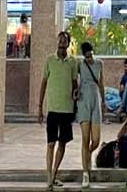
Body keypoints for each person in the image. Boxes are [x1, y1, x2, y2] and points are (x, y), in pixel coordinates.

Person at [38, 31, 78, 191]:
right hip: (53, 109)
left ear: (68, 44)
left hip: (67, 109)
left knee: (62, 143)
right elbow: (43, 84)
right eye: (60, 40)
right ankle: (49, 176)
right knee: (50, 143)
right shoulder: (49, 60)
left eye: (64, 41)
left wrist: (76, 100)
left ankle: (54, 174)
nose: (62, 43)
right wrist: (40, 107)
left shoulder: (73, 62)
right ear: (57, 42)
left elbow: (75, 84)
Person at [76, 42, 106, 189]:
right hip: (83, 100)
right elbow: (74, 80)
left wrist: (104, 101)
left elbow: (101, 83)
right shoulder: (80, 64)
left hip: (96, 99)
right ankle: (85, 172)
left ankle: (86, 155)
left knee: (96, 140)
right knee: (85, 138)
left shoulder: (99, 63)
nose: (88, 58)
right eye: (86, 56)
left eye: (90, 55)